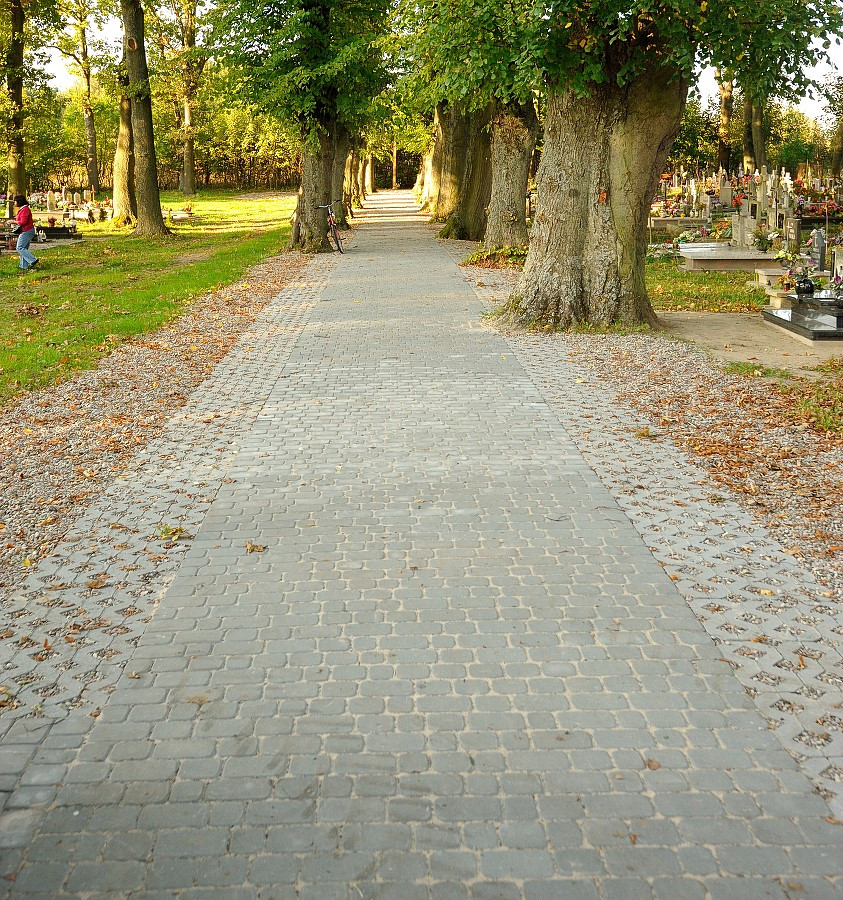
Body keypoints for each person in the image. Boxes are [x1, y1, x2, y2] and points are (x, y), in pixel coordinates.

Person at [13, 194, 39, 272]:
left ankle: (33, 260)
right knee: (24, 249)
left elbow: (23, 222)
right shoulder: (23, 209)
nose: (14, 203)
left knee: (20, 247)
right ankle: (23, 266)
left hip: (26, 231)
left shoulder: (25, 209)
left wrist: (13, 221)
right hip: (27, 230)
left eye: (15, 201)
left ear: (19, 202)